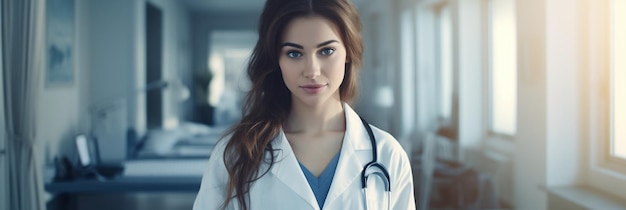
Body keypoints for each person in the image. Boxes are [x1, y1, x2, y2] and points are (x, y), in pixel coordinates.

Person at [193, 0, 415, 209]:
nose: (312, 71)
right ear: (276, 60)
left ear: (348, 52)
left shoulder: (388, 154)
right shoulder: (235, 154)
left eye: (326, 51)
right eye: (294, 53)